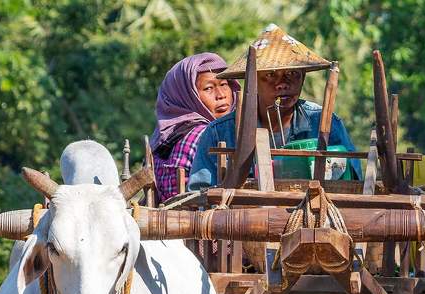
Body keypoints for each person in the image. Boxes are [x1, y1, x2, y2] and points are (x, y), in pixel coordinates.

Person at [187, 24, 359, 190]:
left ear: (303, 77)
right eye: (270, 75)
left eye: (292, 73)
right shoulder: (220, 132)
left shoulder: (324, 122)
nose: (282, 84)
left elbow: (355, 182)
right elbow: (198, 196)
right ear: (253, 81)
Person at [150, 53, 239, 203]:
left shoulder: (161, 137)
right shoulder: (207, 134)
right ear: (187, 95)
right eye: (208, 88)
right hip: (198, 213)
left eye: (224, 84)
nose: (221, 95)